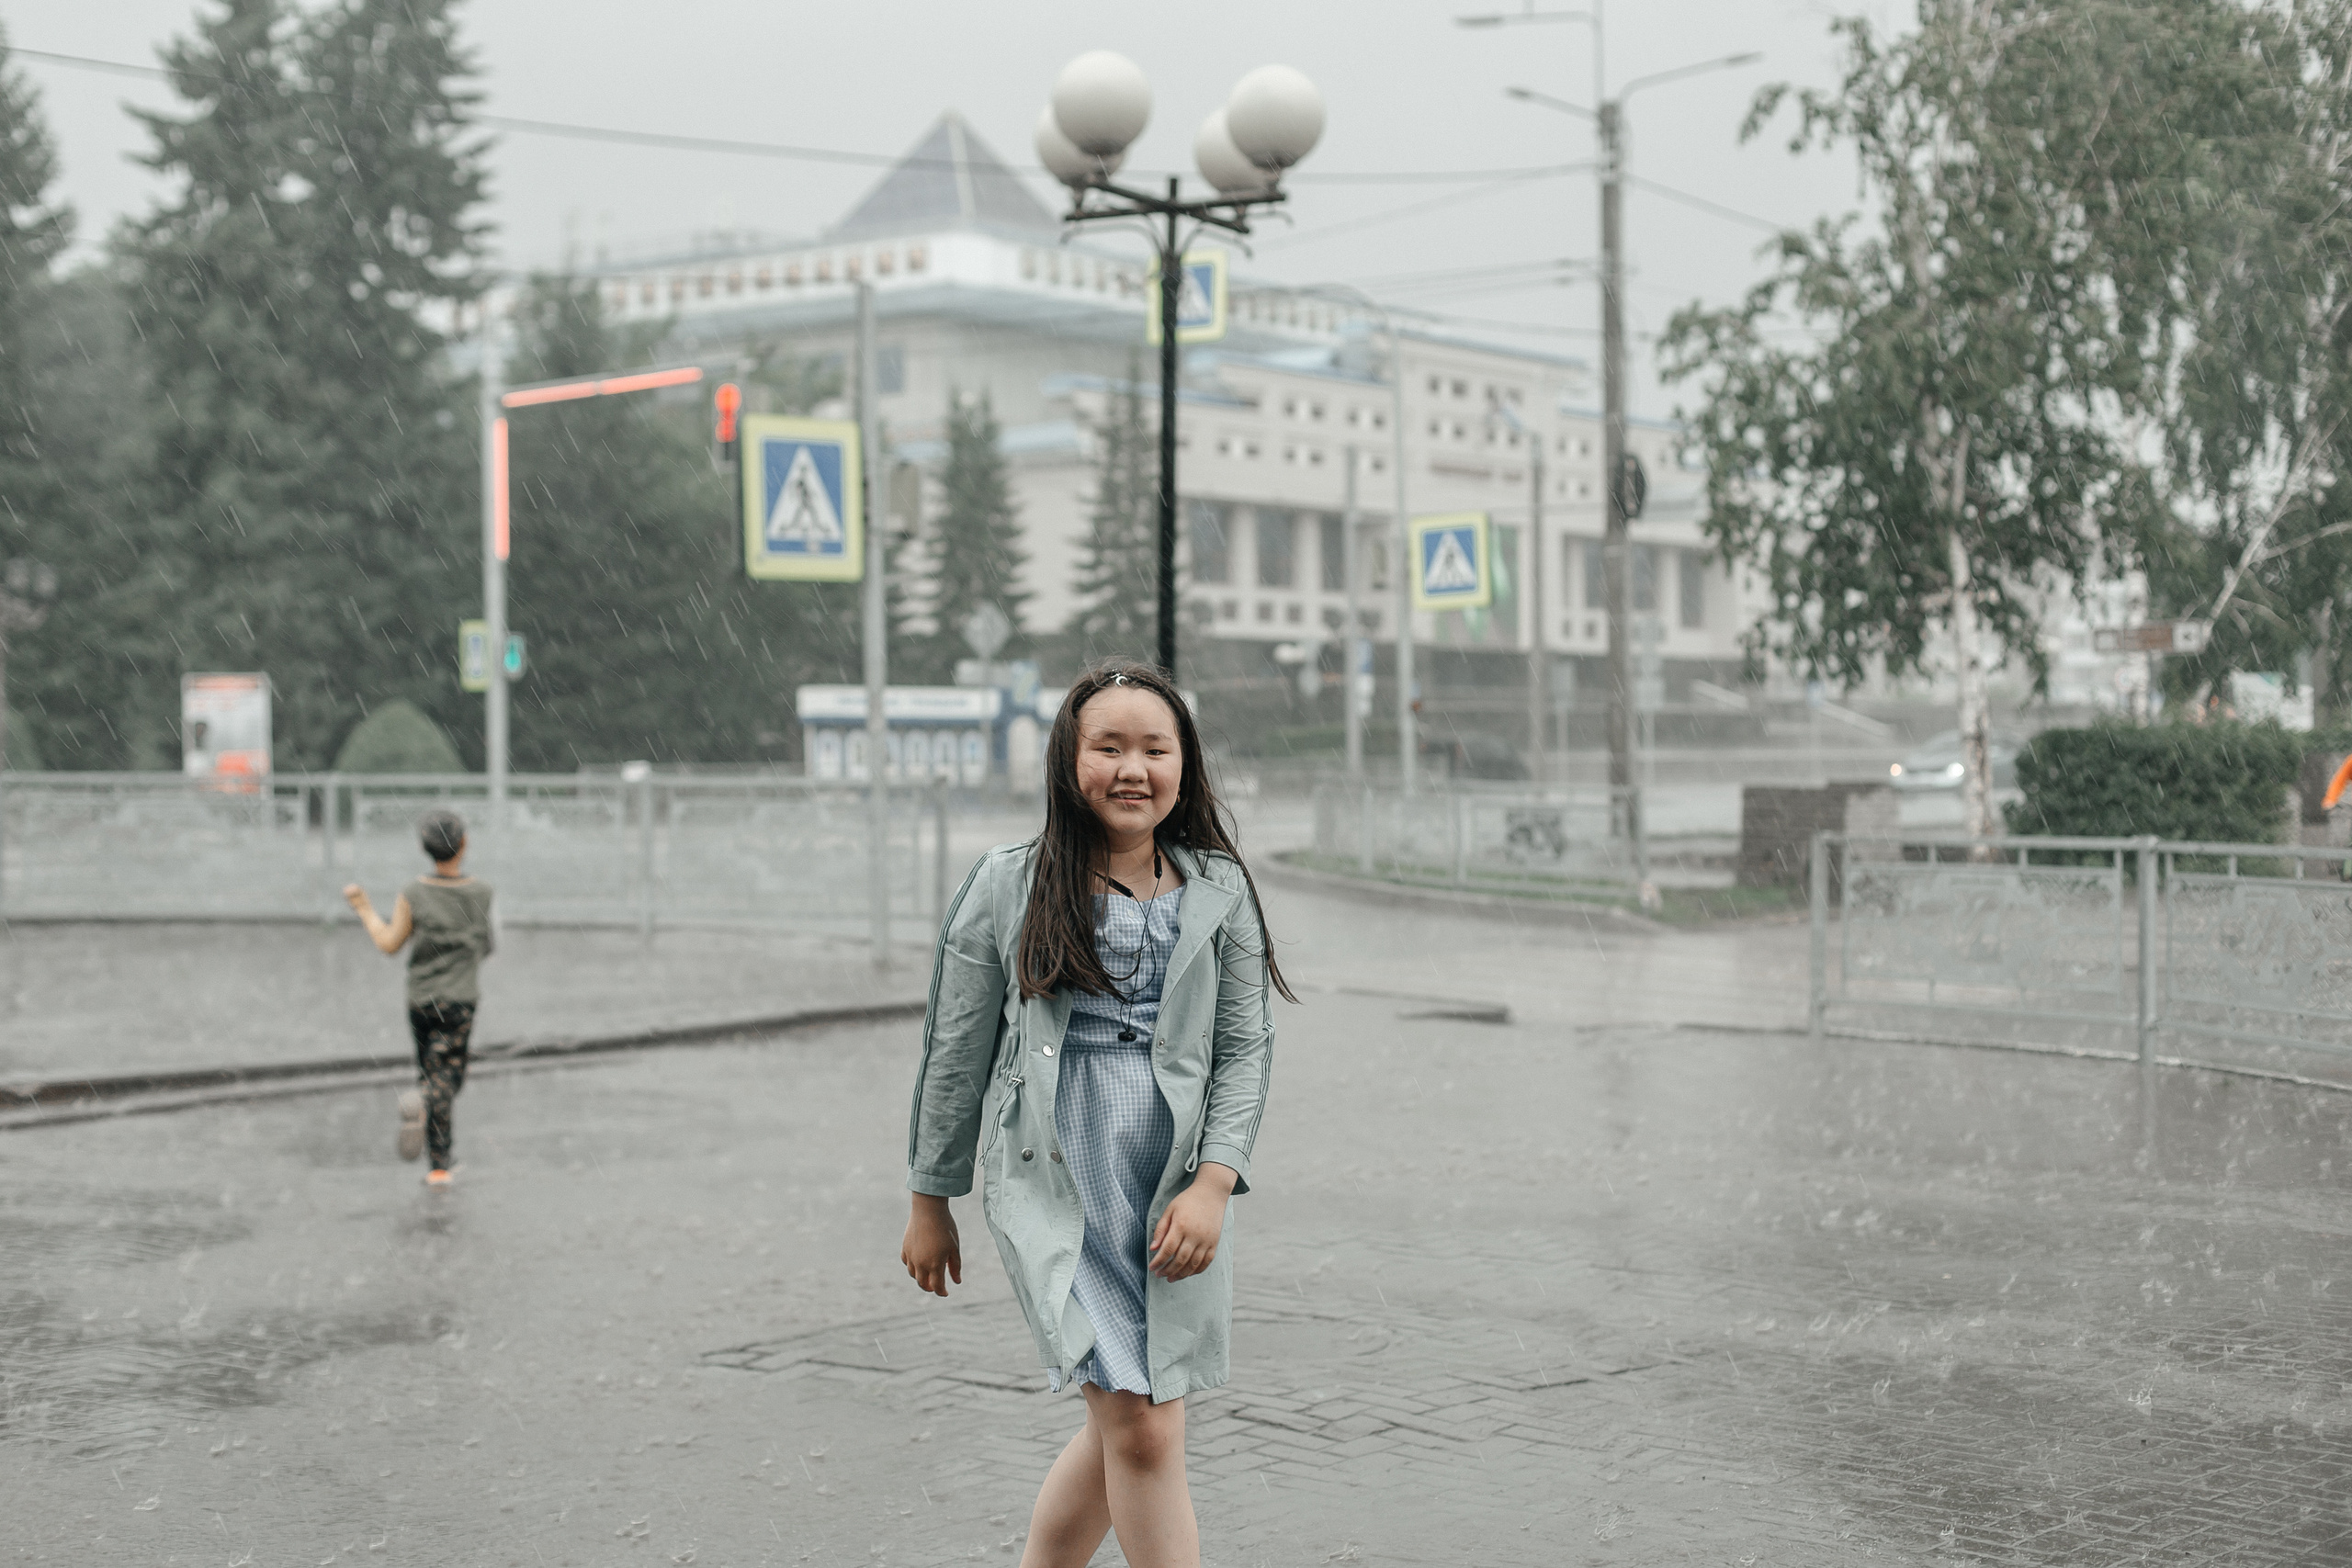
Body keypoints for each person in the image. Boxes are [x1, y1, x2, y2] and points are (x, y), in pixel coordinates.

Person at [900, 658, 1293, 1568]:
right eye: (1107, 746)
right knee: (1144, 1426)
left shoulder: (1221, 892)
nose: (1132, 767)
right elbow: (952, 1053)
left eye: (1155, 748)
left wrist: (1213, 1182)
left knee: (1130, 1418)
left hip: (1167, 1182)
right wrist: (930, 1198)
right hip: (1059, 1171)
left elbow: (1244, 1050)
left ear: (1184, 768)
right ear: (1067, 764)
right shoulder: (1007, 885)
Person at [344, 808, 494, 1187]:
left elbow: (390, 943)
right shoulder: (481, 893)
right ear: (464, 844)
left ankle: (440, 1167)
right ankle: (425, 1106)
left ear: (425, 848)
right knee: (448, 1078)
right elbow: (488, 945)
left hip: (420, 1001)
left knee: (432, 1072)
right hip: (459, 999)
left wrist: (363, 906)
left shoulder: (414, 893)